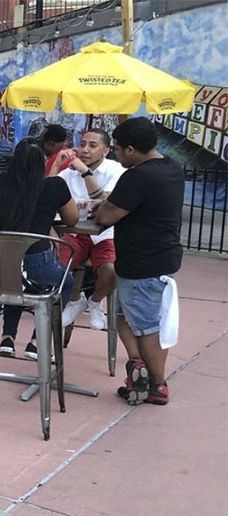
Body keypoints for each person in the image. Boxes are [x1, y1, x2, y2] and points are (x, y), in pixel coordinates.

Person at [94, 117, 183, 406]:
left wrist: (101, 207)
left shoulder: (137, 176)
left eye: (117, 150)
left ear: (131, 150)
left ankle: (158, 385)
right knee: (122, 316)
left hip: (142, 261)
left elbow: (107, 215)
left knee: (146, 325)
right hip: (159, 255)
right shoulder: (171, 168)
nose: (116, 155)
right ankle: (137, 366)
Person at [0, 138, 78, 360]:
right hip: (37, 260)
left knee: (16, 284)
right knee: (66, 282)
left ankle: (7, 338)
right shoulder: (55, 186)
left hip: (3, 261)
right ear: (42, 162)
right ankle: (36, 340)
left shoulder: (2, 182)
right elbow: (72, 218)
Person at [57, 128, 124, 331]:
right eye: (82, 144)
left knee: (110, 272)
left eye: (92, 145)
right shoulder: (69, 172)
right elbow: (47, 192)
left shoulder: (116, 171)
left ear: (105, 151)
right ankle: (75, 299)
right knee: (57, 268)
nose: (85, 150)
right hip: (75, 232)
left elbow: (105, 203)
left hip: (105, 233)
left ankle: (95, 301)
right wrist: (56, 166)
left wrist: (86, 173)